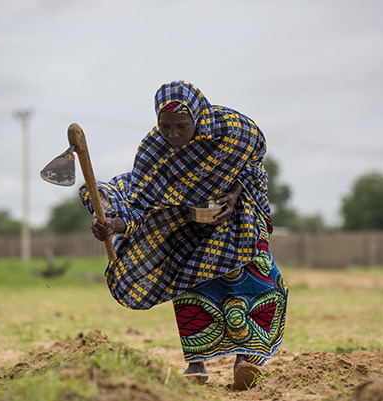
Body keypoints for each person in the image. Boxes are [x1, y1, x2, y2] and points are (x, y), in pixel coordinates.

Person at [79, 80, 288, 390]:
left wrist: (233, 193)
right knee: (189, 282)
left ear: (199, 117)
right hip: (185, 223)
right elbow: (143, 205)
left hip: (235, 215)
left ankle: (246, 361)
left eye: (181, 125)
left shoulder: (234, 129)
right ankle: (196, 363)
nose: (172, 134)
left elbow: (253, 161)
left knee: (253, 280)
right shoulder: (152, 151)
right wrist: (114, 225)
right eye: (164, 126)